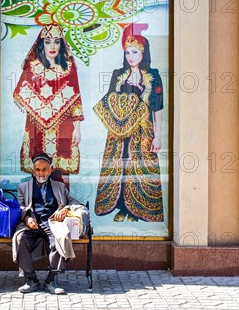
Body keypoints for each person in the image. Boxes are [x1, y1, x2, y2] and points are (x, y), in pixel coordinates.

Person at [93, 23, 164, 222]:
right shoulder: (118, 75)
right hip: (119, 132)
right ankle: (122, 208)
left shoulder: (153, 76)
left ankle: (136, 211)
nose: (130, 57)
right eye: (127, 53)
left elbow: (157, 108)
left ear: (143, 53)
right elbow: (109, 101)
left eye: (135, 52)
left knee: (139, 169)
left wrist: (158, 136)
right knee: (120, 167)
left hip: (143, 131)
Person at [13, 24, 84, 188]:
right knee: (39, 168)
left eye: (56, 42)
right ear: (41, 44)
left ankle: (62, 206)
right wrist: (40, 107)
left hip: (64, 125)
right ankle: (39, 206)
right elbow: (21, 92)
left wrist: (78, 127)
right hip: (37, 127)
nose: (52, 46)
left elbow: (76, 98)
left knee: (61, 170)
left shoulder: (69, 67)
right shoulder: (32, 67)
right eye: (48, 41)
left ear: (61, 44)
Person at [12, 153, 81, 295]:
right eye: (38, 170)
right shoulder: (23, 187)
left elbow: (73, 202)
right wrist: (27, 219)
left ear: (50, 171)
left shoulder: (59, 186)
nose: (41, 173)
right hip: (32, 224)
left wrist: (65, 209)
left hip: (53, 223)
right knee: (20, 239)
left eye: (44, 170)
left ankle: (51, 280)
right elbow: (20, 207)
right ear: (33, 171)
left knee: (61, 238)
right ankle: (30, 279)